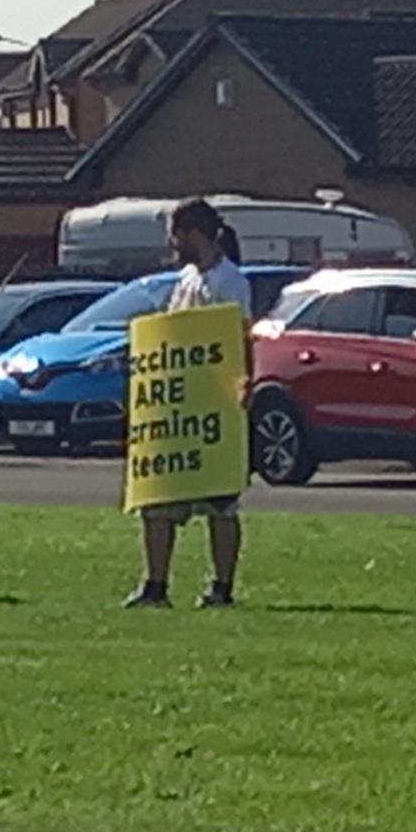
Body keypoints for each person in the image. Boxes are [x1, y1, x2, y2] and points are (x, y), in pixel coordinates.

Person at [128, 198, 253, 609]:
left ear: (191, 235)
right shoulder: (184, 280)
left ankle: (221, 588)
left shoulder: (229, 281)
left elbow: (238, 337)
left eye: (175, 236)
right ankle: (155, 587)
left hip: (212, 408)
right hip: (177, 413)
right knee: (157, 501)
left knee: (220, 505)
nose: (171, 245)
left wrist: (238, 387)